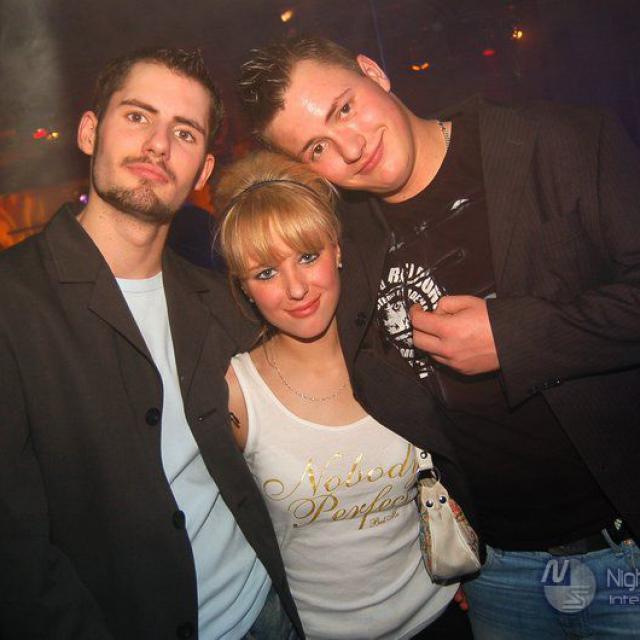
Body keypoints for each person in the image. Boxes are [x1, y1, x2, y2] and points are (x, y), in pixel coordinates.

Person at [237, 36, 640, 638]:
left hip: (622, 548)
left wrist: (514, 338)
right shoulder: (346, 240)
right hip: (494, 569)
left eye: (344, 108)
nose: (351, 147)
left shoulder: (556, 140)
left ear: (373, 71)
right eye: (317, 147)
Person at [0, 47, 302, 639]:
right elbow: (17, 562)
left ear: (203, 172)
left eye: (184, 132)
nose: (158, 145)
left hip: (271, 607)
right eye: (138, 116)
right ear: (90, 132)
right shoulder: (14, 305)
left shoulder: (221, 298)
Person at [216, 150, 476, 640]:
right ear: (244, 288)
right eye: (265, 273)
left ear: (337, 250)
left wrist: (463, 558)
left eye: (307, 256)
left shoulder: (399, 354)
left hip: (440, 617)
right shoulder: (236, 394)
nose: (296, 288)